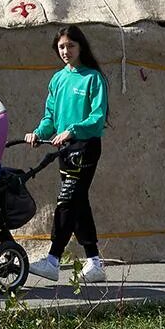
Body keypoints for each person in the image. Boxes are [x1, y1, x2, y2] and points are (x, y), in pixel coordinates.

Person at [24, 24, 109, 284]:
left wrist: (72, 130)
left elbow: (97, 118)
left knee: (68, 200)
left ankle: (52, 259)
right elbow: (51, 115)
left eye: (71, 45)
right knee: (78, 201)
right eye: (61, 46)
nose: (66, 51)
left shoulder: (93, 78)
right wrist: (39, 133)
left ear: (81, 46)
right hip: (64, 148)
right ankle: (94, 262)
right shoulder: (58, 79)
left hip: (85, 146)